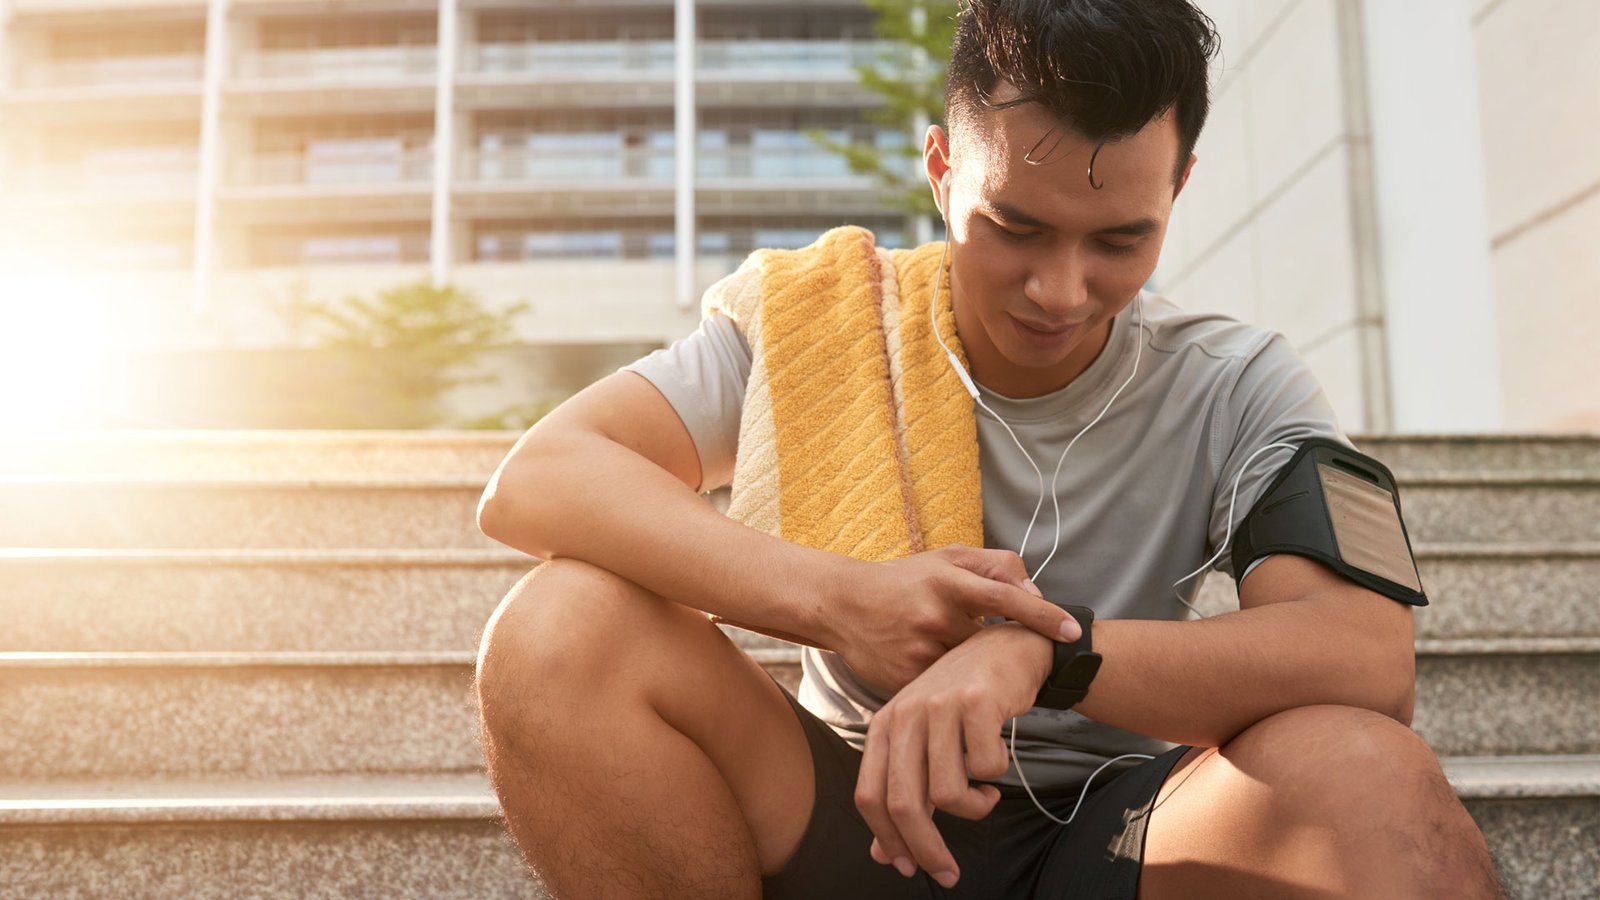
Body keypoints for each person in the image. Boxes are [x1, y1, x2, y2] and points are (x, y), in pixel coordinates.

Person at [473, 1, 1504, 897]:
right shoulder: (823, 326)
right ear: (938, 167)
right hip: (847, 812)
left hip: (1124, 834)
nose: (1058, 290)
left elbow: (1365, 658)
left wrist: (1046, 653)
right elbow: (542, 478)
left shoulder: (1238, 382)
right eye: (1013, 225)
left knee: (1367, 767)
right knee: (558, 627)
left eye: (1118, 241)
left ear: (1178, 186)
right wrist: (840, 599)